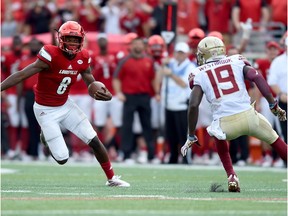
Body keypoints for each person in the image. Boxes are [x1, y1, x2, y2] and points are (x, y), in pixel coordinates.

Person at [0, 21, 130, 187]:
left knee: (94, 139)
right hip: (45, 110)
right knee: (62, 158)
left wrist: (100, 90)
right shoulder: (50, 54)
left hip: (65, 105)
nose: (73, 43)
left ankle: (112, 178)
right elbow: (22, 74)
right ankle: (45, 137)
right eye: (69, 38)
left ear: (81, 40)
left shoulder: (83, 57)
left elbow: (90, 80)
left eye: (76, 39)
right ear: (60, 38)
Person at [181, 36, 287, 192]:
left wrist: (191, 134)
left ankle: (231, 174)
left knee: (217, 133)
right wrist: (273, 104)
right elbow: (256, 77)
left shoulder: (199, 72)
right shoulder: (236, 60)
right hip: (249, 116)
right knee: (275, 139)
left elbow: (193, 104)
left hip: (225, 123)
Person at [113, 37, 158, 163]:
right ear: (131, 46)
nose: (137, 46)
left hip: (145, 96)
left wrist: (157, 93)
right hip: (129, 96)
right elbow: (116, 78)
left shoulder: (149, 61)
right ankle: (126, 154)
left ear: (144, 47)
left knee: (147, 126)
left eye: (140, 44)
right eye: (135, 44)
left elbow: (153, 78)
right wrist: (119, 93)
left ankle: (151, 155)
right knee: (127, 126)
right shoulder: (125, 61)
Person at [160, 42, 196, 164]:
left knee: (183, 135)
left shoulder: (190, 66)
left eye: (182, 53)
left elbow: (183, 83)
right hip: (169, 104)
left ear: (186, 54)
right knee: (171, 135)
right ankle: (173, 157)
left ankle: (186, 157)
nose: (179, 55)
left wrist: (170, 74)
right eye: (178, 52)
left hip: (181, 104)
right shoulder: (170, 64)